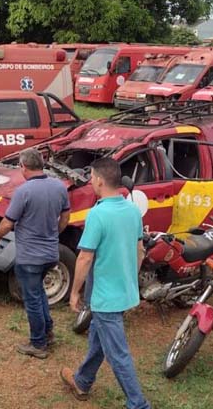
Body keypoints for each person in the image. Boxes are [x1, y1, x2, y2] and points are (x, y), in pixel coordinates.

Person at [60, 158, 150, 409]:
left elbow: (85, 257)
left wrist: (74, 292)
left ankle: (138, 404)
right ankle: (82, 381)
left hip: (105, 296)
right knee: (99, 337)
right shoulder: (133, 211)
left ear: (99, 181)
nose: (90, 181)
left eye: (91, 177)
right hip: (124, 291)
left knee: (117, 354)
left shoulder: (97, 214)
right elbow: (140, 250)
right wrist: (129, 277)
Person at [0, 148, 70, 359]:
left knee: (32, 300)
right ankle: (48, 332)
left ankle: (38, 343)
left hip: (30, 257)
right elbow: (65, 218)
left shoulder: (23, 192)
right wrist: (54, 234)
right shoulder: (59, 187)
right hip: (51, 254)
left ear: (23, 167)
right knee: (39, 293)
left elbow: (8, 223)